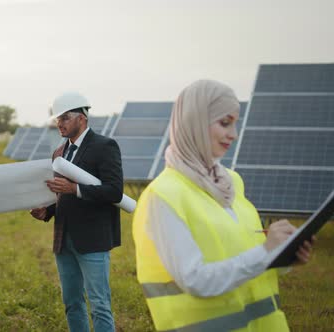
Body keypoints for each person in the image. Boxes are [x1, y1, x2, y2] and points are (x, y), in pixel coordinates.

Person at [132, 80, 314, 332]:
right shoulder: (163, 195)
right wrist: (265, 251)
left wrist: (282, 256)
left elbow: (243, 256)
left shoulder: (231, 183)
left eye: (235, 123)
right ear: (194, 122)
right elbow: (196, 280)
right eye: (224, 123)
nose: (234, 134)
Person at [29, 92, 123, 332]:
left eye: (65, 118)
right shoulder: (58, 153)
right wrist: (47, 210)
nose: (59, 123)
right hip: (64, 239)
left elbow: (114, 191)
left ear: (82, 118)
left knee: (99, 304)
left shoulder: (105, 146)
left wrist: (75, 188)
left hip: (93, 239)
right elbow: (61, 194)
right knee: (72, 303)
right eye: (57, 119)